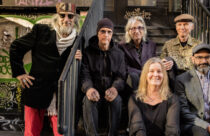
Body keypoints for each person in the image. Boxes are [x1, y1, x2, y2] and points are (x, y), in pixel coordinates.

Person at [10, 2, 81, 136]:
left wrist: (79, 59)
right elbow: (15, 47)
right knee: (31, 132)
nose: (66, 20)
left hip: (61, 96)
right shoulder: (41, 32)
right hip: (37, 90)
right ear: (57, 17)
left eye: (70, 17)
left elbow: (79, 69)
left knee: (61, 133)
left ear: (74, 19)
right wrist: (19, 73)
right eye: (62, 16)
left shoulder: (78, 41)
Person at [81, 18, 126, 136]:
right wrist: (88, 88)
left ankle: (113, 133)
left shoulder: (119, 54)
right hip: (95, 91)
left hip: (110, 92)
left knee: (117, 101)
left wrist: (115, 88)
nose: (106, 35)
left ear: (112, 34)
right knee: (87, 101)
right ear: (97, 33)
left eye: (109, 32)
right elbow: (85, 75)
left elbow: (121, 76)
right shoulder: (87, 52)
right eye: (103, 31)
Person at [118, 16, 174, 90]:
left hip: (149, 76)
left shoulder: (151, 45)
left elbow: (153, 61)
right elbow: (124, 67)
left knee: (167, 62)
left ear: (144, 30)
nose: (137, 31)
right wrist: (144, 72)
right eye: (133, 28)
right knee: (133, 76)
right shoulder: (122, 46)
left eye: (140, 28)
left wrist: (161, 63)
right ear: (128, 31)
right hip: (133, 79)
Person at [128, 57, 180, 136]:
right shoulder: (134, 99)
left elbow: (172, 129)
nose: (155, 74)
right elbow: (137, 126)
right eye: (151, 71)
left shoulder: (173, 100)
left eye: (159, 71)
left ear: (164, 76)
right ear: (145, 75)